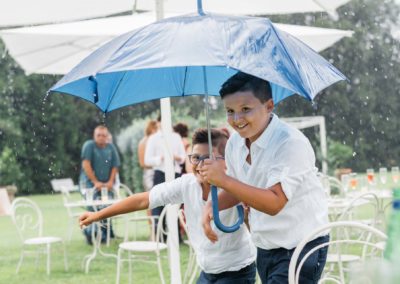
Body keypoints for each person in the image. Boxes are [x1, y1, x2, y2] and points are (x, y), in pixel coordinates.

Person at [79, 128, 257, 283]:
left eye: (208, 158)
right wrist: (97, 215)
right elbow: (142, 200)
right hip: (208, 270)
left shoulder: (235, 185)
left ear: (226, 160)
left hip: (237, 270)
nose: (200, 164)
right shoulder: (186, 184)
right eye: (195, 158)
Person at [199, 72, 329, 284]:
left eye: (245, 109)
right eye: (230, 111)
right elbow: (237, 189)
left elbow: (274, 202)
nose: (237, 119)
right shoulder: (234, 144)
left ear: (269, 106)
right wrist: (210, 206)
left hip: (300, 246)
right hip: (265, 247)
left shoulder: (290, 143)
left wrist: (222, 179)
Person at [144, 116, 186, 234]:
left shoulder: (176, 137)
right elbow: (147, 160)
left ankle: (177, 235)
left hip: (176, 173)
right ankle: (160, 235)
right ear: (158, 123)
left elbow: (183, 158)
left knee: (176, 204)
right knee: (158, 203)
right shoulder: (153, 138)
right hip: (160, 173)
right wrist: (161, 158)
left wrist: (176, 157)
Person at [80, 125, 121, 244]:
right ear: (94, 136)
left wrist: (110, 182)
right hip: (89, 184)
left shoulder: (111, 147)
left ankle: (107, 234)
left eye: (104, 135)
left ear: (107, 136)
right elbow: (86, 164)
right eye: (99, 135)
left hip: (106, 183)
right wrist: (95, 182)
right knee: (93, 207)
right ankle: (91, 234)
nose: (101, 138)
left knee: (108, 207)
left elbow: (115, 166)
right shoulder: (89, 146)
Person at [138, 120, 159, 192]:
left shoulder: (142, 141)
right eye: (157, 129)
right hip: (151, 173)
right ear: (153, 129)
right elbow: (143, 163)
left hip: (148, 173)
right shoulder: (148, 141)